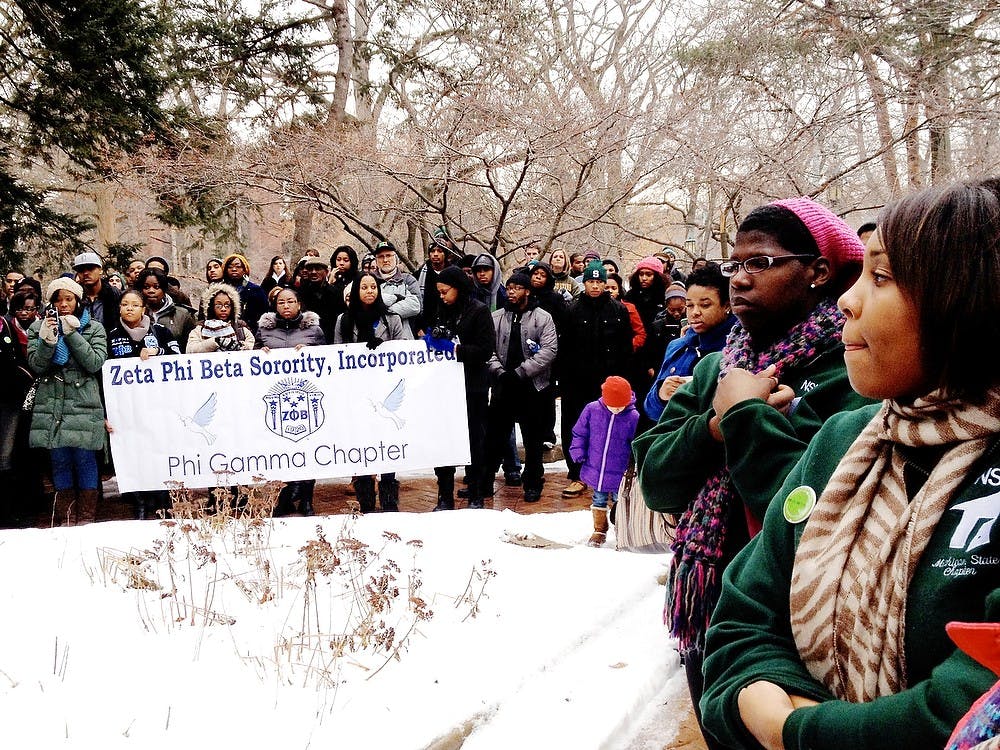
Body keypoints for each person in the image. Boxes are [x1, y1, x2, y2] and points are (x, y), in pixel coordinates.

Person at [699, 179, 1000, 750]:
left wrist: (795, 731)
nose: (847, 299)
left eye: (881, 277)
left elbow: (969, 705)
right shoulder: (843, 441)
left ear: (967, 299)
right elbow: (742, 619)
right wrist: (752, 691)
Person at [632, 197, 872, 749]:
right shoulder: (718, 366)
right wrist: (716, 426)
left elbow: (804, 509)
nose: (738, 280)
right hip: (711, 602)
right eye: (732, 265)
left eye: (759, 263)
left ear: (817, 272)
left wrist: (749, 419)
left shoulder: (853, 370)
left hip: (802, 615)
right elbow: (657, 479)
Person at [27, 277, 108, 526]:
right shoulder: (37, 328)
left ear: (78, 300)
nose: (63, 304)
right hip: (52, 403)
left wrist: (72, 333)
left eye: (69, 299)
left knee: (84, 458)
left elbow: (94, 362)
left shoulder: (93, 327)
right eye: (58, 299)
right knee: (59, 460)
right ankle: (67, 516)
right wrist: (48, 340)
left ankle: (86, 516)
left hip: (83, 401)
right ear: (50, 302)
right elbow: (37, 365)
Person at [333, 272, 412, 512]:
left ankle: (389, 498)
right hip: (357, 391)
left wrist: (384, 349)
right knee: (362, 442)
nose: (369, 291)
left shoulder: (392, 318)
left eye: (373, 287)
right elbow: (337, 353)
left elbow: (403, 350)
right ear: (356, 291)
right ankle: (365, 498)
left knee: (387, 441)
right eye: (364, 287)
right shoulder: (343, 320)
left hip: (385, 389)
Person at [481, 270, 558, 504]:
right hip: (504, 385)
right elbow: (488, 348)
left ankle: (533, 482)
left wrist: (522, 371)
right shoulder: (497, 317)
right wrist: (499, 371)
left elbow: (549, 350)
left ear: (527, 290)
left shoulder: (542, 317)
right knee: (495, 437)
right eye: (509, 287)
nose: (511, 292)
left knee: (532, 440)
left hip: (532, 387)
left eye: (516, 288)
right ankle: (484, 481)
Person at [559, 260, 633, 498]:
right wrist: (562, 379)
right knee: (575, 426)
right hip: (577, 380)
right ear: (584, 282)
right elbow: (564, 347)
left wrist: (623, 380)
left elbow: (625, 348)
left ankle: (608, 476)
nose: (594, 286)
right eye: (590, 281)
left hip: (608, 381)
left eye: (599, 281)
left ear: (605, 283)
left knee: (609, 428)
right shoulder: (571, 309)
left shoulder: (618, 310)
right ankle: (576, 474)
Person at [423, 266, 495, 510]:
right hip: (443, 387)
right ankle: (444, 494)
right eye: (439, 292)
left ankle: (476, 492)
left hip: (472, 385)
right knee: (444, 439)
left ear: (458, 288)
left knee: (474, 439)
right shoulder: (440, 310)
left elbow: (486, 350)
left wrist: (455, 350)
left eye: (445, 291)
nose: (442, 296)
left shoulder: (479, 311)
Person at [105, 290, 180, 519]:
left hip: (158, 405)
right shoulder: (111, 335)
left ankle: (162, 503)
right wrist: (107, 413)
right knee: (132, 453)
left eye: (135, 304)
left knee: (158, 451)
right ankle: (138, 502)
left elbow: (179, 356)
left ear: (143, 309)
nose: (129, 308)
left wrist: (159, 351)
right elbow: (103, 375)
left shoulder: (160, 332)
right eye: (125, 304)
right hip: (126, 408)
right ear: (119, 308)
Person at [255, 288, 326, 516]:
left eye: (291, 302)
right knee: (277, 449)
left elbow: (328, 359)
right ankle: (282, 498)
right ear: (275, 305)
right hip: (276, 399)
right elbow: (250, 363)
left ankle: (306, 498)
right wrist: (259, 353)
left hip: (304, 397)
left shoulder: (314, 330)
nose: (286, 306)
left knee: (307, 448)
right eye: (281, 302)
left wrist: (311, 352)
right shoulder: (264, 330)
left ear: (299, 304)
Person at [644, 265, 737, 422]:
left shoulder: (740, 349)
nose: (695, 312)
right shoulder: (677, 346)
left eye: (705, 305)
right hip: (672, 439)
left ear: (727, 305)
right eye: (689, 305)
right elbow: (650, 409)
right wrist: (661, 394)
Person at [570, 375, 639, 547]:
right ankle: (599, 529)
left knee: (621, 503)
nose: (616, 410)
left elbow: (637, 442)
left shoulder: (634, 417)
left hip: (620, 472)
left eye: (620, 406)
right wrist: (578, 450)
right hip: (596, 468)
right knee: (598, 499)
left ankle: (623, 532)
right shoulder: (592, 410)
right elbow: (580, 432)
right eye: (612, 406)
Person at [138, 268, 197, 353]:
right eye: (146, 287)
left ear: (164, 289)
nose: (151, 291)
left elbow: (190, 347)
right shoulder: (132, 314)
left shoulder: (182, 314)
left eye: (156, 287)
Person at [186, 283, 256, 353]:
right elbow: (190, 350)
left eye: (227, 305)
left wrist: (240, 346)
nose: (223, 309)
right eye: (218, 305)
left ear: (233, 307)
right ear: (211, 307)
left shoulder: (240, 328)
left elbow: (254, 347)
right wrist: (216, 341)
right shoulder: (200, 328)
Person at [373, 241, 422, 336]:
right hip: (375, 335)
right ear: (376, 260)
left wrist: (385, 311)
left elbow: (415, 305)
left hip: (403, 336)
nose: (385, 260)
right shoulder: (369, 280)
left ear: (396, 258)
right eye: (381, 256)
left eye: (388, 255)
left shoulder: (408, 279)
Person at [415, 234, 455, 335]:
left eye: (439, 251)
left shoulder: (454, 274)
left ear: (445, 254)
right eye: (433, 251)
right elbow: (415, 302)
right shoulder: (420, 275)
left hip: (450, 326)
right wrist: (417, 327)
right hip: (425, 328)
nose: (435, 254)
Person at [73, 252, 121, 332]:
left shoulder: (115, 294)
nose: (86, 273)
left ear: (100, 270)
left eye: (90, 268)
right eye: (81, 270)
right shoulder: (74, 296)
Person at [222, 253, 268, 335]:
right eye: (230, 267)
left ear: (244, 270)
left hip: (251, 333)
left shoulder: (256, 290)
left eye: (238, 266)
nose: (234, 269)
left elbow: (264, 314)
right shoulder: (219, 290)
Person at [605, 273, 646, 353]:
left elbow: (641, 334)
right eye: (606, 288)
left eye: (613, 288)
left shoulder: (629, 308)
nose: (610, 291)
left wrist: (629, 346)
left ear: (619, 291)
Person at [329, 245, 359, 321]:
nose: (341, 263)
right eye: (338, 260)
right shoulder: (333, 278)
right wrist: (330, 283)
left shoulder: (358, 278)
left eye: (346, 260)